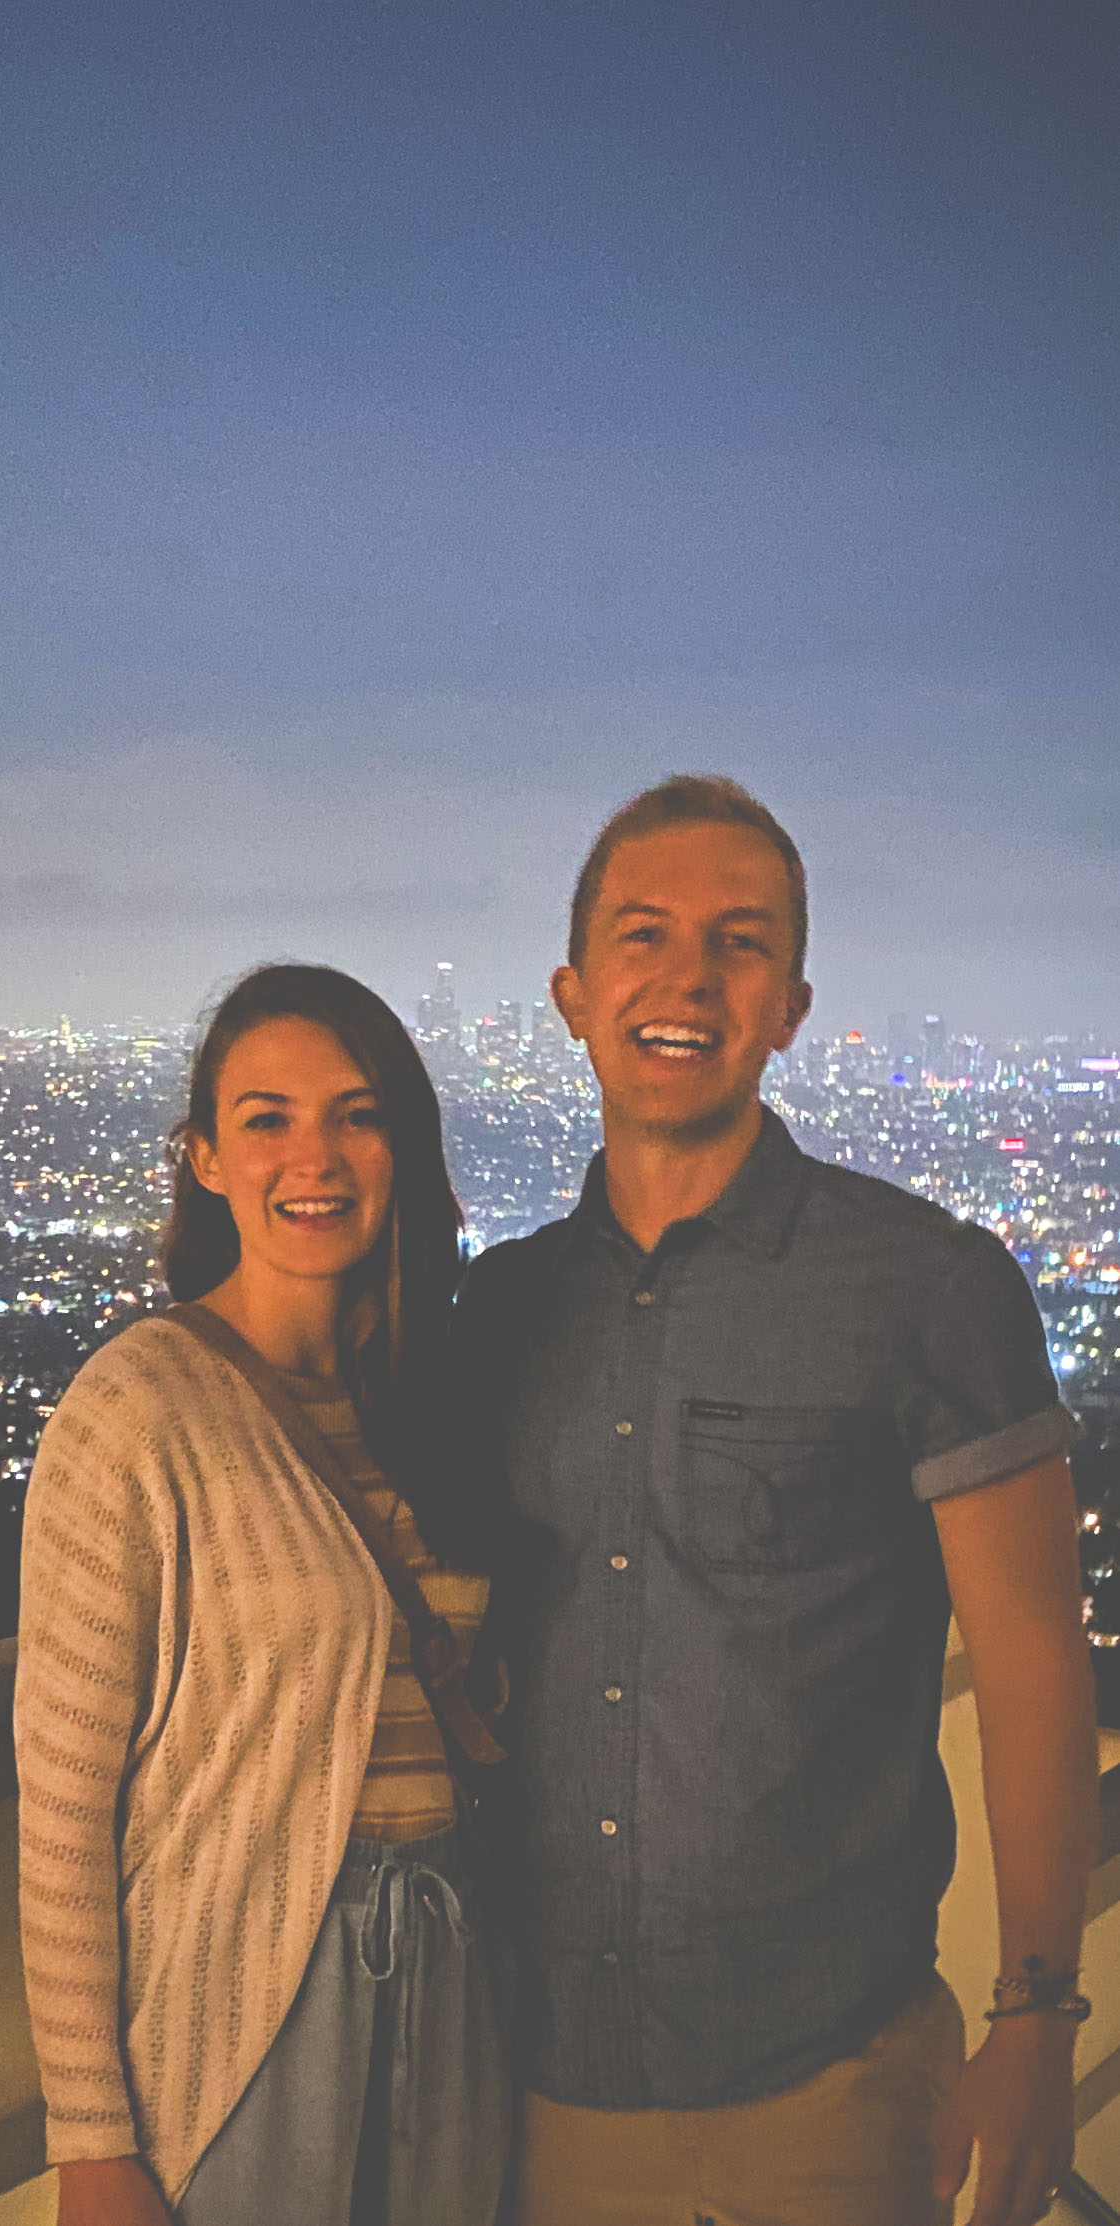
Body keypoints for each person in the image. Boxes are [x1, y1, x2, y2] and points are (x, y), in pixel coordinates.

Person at [465, 776, 1096, 2226]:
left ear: (792, 1006)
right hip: (533, 2082)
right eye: (643, 935)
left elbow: (1030, 1662)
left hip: (825, 2086)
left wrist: (1036, 2012)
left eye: (738, 943)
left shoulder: (924, 1285)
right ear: (571, 992)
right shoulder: (493, 1314)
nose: (687, 975)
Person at [15, 962, 514, 2226]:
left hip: (461, 1971)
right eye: (269, 1119)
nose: (319, 1157)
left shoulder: (437, 1399)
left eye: (358, 1114)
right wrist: (91, 2140)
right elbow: (65, 1810)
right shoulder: (137, 1408)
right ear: (206, 1158)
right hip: (245, 1993)